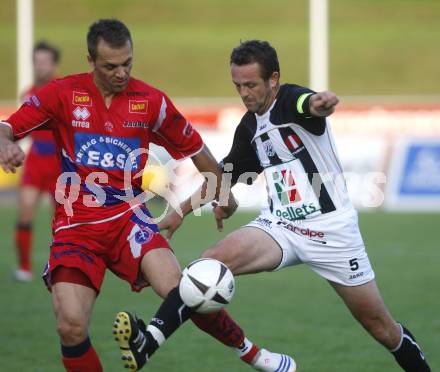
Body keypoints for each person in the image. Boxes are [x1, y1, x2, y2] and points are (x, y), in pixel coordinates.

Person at [0, 21, 295, 372]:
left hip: (129, 219)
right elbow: (8, 127)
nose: (121, 73)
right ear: (91, 61)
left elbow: (197, 149)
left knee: (187, 290)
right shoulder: (63, 94)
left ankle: (255, 356)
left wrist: (222, 192)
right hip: (76, 226)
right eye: (111, 66)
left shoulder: (150, 101)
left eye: (127, 63)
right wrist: (5, 143)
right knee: (70, 325)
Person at [159, 40, 431, 372]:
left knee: (381, 328)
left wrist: (322, 103)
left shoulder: (290, 100)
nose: (244, 93)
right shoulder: (249, 128)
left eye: (251, 85)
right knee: (208, 264)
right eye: (238, 86)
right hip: (280, 227)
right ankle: (150, 340)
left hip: (332, 231)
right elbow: (222, 178)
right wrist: (179, 213)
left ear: (273, 79)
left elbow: (310, 105)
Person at [14, 41, 61, 282]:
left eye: (45, 62)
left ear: (54, 65)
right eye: (37, 61)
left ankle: (60, 268)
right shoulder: (28, 95)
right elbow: (19, 129)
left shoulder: (62, 92)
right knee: (24, 214)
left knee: (63, 222)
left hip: (59, 164)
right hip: (35, 161)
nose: (40, 66)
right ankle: (24, 269)